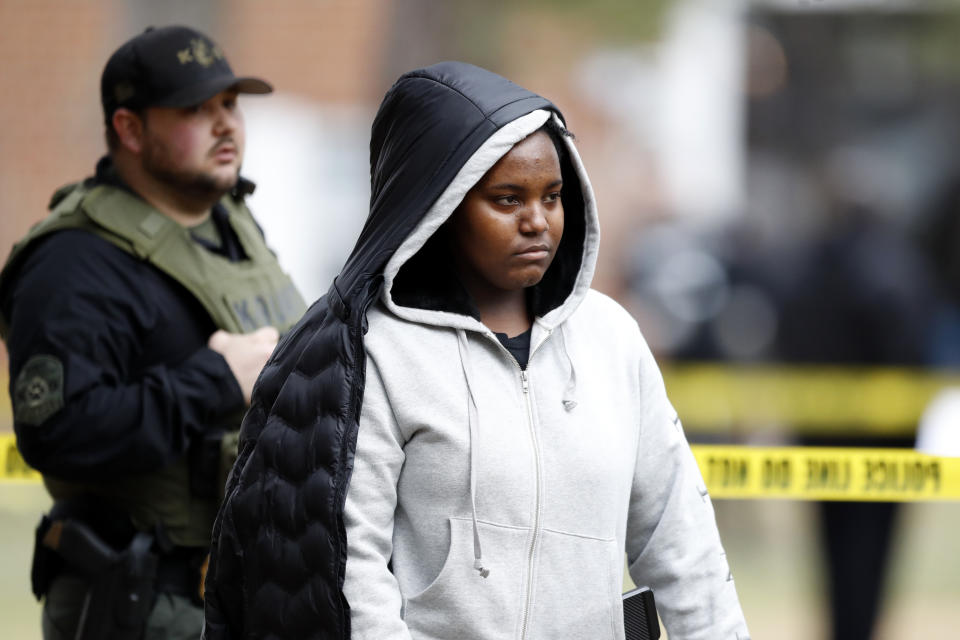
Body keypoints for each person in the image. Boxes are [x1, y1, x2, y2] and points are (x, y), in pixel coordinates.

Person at [204, 61, 749, 640]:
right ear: (441, 206)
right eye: (507, 199)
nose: (537, 221)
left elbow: (682, 543)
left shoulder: (612, 339)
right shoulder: (378, 353)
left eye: (553, 195)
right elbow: (352, 569)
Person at [0, 25, 307, 640]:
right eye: (195, 108)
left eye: (230, 104)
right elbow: (55, 433)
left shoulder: (231, 222)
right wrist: (215, 380)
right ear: (130, 129)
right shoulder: (74, 262)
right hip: (141, 602)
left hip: (254, 588)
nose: (226, 125)